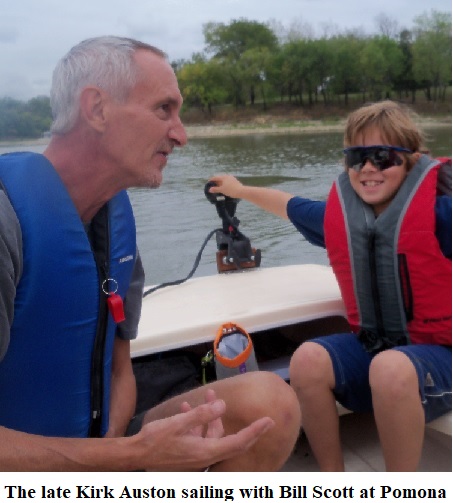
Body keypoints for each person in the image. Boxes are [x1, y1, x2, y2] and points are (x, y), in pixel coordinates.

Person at [0, 36, 301, 471]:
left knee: (269, 405)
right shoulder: (8, 220)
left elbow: (120, 371)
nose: (181, 136)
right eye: (164, 109)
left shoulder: (113, 225)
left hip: (101, 452)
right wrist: (127, 457)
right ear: (97, 108)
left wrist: (113, 459)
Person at [209, 100, 452, 471]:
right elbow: (287, 204)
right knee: (307, 359)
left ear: (413, 161)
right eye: (356, 158)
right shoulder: (343, 218)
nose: (368, 168)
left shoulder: (442, 214)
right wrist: (238, 189)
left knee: (390, 368)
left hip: (440, 359)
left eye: (382, 156)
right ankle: (332, 484)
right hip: (379, 353)